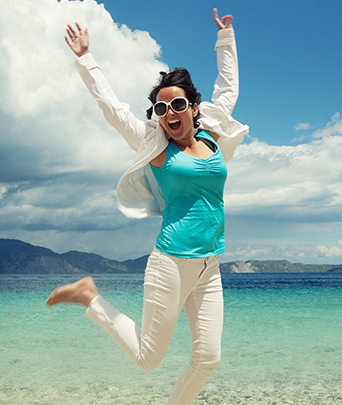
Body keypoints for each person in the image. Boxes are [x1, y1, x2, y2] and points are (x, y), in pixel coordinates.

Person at [46, 9, 248, 405]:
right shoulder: (156, 147)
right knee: (147, 360)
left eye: (176, 106)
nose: (169, 114)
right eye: (161, 109)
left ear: (192, 106)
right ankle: (89, 296)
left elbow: (228, 90)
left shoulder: (211, 135)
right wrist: (86, 58)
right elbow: (113, 108)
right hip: (170, 262)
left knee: (207, 358)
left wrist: (226, 39)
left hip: (209, 264)